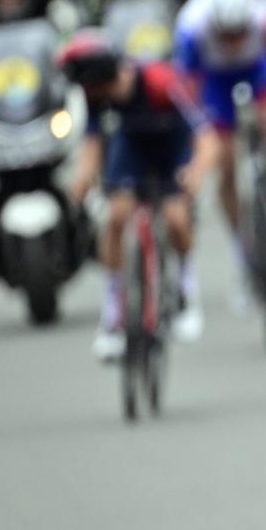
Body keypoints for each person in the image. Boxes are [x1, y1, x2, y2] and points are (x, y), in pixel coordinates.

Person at [58, 28, 215, 360]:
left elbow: (206, 135)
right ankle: (113, 314)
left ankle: (185, 290)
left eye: (102, 86)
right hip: (132, 149)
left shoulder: (161, 83)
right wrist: (82, 180)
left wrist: (197, 172)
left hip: (172, 148)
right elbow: (91, 144)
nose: (100, 94)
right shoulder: (95, 96)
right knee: (115, 218)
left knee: (175, 218)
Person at [173, 0, 266, 290]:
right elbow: (187, 88)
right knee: (224, 165)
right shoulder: (190, 24)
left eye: (240, 33)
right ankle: (242, 248)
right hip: (215, 81)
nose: (234, 43)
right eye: (226, 35)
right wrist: (198, 135)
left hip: (258, 70)